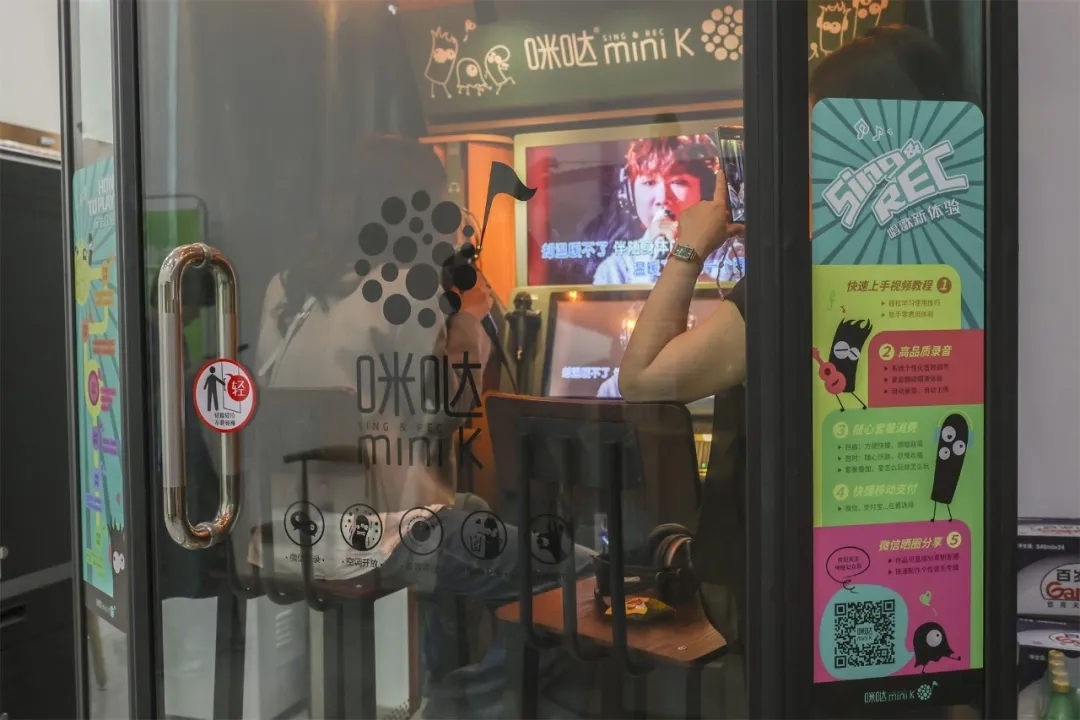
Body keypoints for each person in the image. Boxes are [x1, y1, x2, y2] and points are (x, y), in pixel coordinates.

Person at [250, 135, 595, 717]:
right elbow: (447, 412)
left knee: (466, 515)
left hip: (289, 530)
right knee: (578, 569)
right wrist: (471, 316)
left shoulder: (284, 288)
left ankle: (446, 690)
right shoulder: (405, 290)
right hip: (379, 534)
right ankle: (459, 702)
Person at [618, 25, 970, 404]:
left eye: (814, 130)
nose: (800, 151)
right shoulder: (961, 252)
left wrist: (690, 248)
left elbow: (642, 380)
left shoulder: (803, 278)